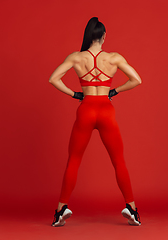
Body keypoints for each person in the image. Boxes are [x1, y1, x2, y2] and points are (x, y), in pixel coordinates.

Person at [49, 17, 142, 227]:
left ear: (88, 36)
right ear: (103, 36)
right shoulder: (114, 58)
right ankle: (132, 210)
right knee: (119, 162)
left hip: (86, 109)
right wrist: (114, 91)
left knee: (73, 160)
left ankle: (60, 210)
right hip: (106, 110)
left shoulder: (76, 57)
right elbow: (137, 79)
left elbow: (53, 78)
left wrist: (75, 94)